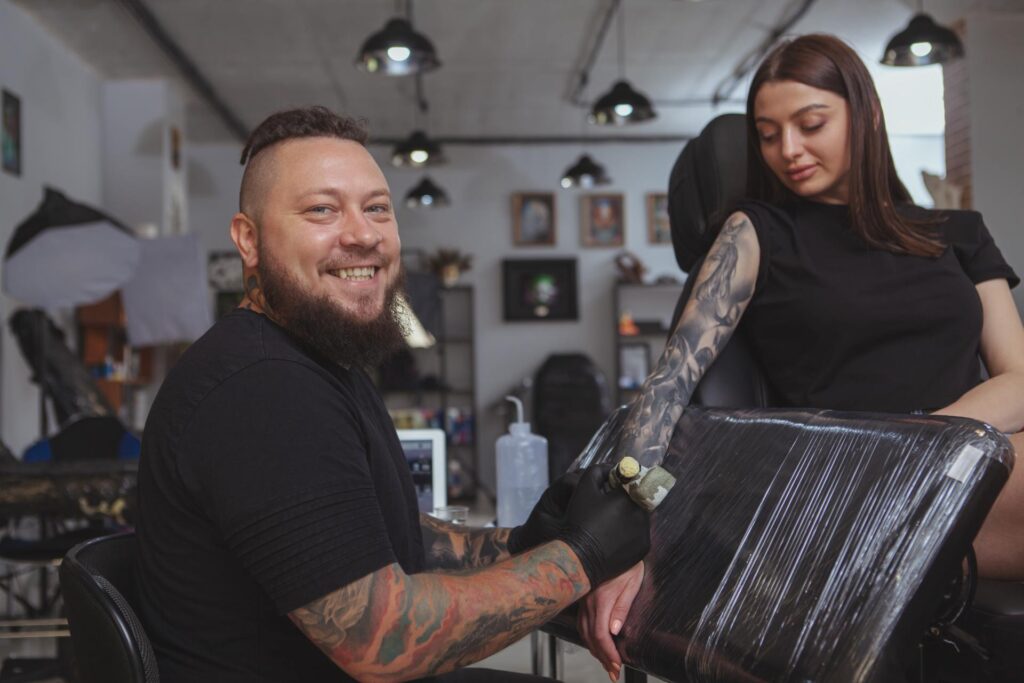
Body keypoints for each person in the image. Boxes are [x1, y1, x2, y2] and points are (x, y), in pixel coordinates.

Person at [134, 106, 652, 683]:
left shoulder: (317, 360)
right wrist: (580, 558)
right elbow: (385, 641)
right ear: (248, 241)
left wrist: (525, 541)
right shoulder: (262, 388)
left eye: (377, 208)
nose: (362, 234)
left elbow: (370, 533)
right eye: (322, 210)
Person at [578, 33, 1024, 680]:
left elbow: (1019, 376)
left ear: (864, 115)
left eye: (810, 124)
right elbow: (668, 387)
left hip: (960, 468)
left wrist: (929, 442)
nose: (788, 150)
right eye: (767, 133)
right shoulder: (756, 232)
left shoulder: (958, 234)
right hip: (846, 491)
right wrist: (622, 538)